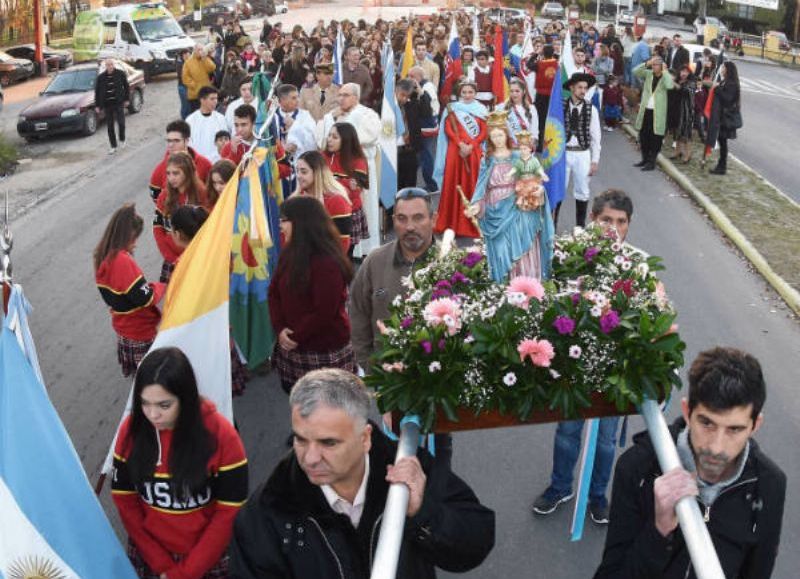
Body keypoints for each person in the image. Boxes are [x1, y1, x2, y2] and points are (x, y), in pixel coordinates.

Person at [229, 368, 495, 577]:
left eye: (328, 443)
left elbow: (477, 543)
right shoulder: (267, 511)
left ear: (365, 438)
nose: (309, 458)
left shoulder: (412, 470)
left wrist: (424, 514)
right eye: (300, 439)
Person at [594, 347, 786, 578]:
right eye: (706, 423)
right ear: (687, 411)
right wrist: (658, 530)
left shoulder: (769, 485)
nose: (716, 447)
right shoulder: (638, 468)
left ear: (755, 425)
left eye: (734, 429)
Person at [533, 189, 634, 524]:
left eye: (621, 222)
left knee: (606, 442)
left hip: (612, 373)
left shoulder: (635, 267)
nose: (613, 228)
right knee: (567, 433)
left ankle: (597, 495)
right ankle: (560, 486)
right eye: (606, 220)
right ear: (593, 220)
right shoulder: (572, 257)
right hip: (574, 369)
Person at [112, 347, 248, 579]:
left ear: (185, 398)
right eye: (145, 403)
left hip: (208, 556)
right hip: (152, 554)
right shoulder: (131, 431)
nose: (153, 415)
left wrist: (186, 572)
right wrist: (162, 563)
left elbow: (229, 511)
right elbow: (125, 501)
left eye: (164, 405)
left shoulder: (222, 436)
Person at [267, 197, 355, 394]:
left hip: (323, 349)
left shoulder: (327, 262)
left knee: (330, 409)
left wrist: (295, 336)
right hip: (294, 347)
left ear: (300, 223)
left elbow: (324, 311)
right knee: (301, 405)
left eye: (284, 220)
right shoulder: (289, 253)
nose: (280, 226)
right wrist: (280, 328)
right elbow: (274, 292)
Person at [469, 114, 553, 283]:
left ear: (506, 135)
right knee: (501, 252)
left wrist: (538, 189)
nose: (497, 139)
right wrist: (477, 205)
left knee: (524, 245)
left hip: (518, 205)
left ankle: (527, 283)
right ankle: (503, 286)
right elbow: (481, 187)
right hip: (494, 209)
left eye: (500, 135)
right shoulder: (487, 160)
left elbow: (532, 177)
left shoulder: (517, 156)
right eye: (493, 136)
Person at [95, 204, 165, 377]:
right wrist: (161, 286)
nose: (135, 244)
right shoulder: (122, 261)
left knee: (141, 381)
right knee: (154, 379)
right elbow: (145, 298)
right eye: (134, 238)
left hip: (124, 329)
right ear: (125, 236)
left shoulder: (102, 254)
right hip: (139, 330)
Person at [317, 83, 381, 258]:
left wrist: (345, 127)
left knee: (362, 205)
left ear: (356, 97)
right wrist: (331, 118)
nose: (340, 99)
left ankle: (365, 249)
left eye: (345, 95)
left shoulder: (367, 114)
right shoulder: (334, 116)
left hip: (359, 165)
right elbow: (321, 139)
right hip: (334, 167)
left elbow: (370, 135)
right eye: (339, 95)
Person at [433, 80, 488, 238]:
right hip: (455, 152)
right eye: (464, 92)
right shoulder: (453, 108)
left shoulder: (481, 109)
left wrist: (472, 145)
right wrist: (460, 144)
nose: (467, 95)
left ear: (475, 93)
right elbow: (448, 128)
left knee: (473, 184)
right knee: (454, 183)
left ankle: (472, 222)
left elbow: (484, 131)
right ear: (459, 93)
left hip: (474, 151)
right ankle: (451, 221)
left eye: (470, 92)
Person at [153, 152, 209, 283]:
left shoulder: (202, 194)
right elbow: (157, 229)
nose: (171, 178)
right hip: (173, 260)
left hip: (198, 258)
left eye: (176, 173)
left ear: (188, 172)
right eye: (168, 173)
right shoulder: (164, 197)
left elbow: (209, 230)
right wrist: (171, 257)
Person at [556, 72, 602, 229]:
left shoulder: (592, 109)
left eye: (585, 88)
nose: (583, 91)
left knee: (582, 189)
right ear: (571, 88)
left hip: (582, 153)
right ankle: (552, 228)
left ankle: (580, 228)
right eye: (580, 87)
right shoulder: (560, 106)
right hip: (563, 153)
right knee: (559, 189)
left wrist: (595, 160)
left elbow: (596, 137)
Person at [324, 122, 370, 259]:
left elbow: (355, 190)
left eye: (335, 137)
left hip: (348, 213)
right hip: (326, 212)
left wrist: (330, 183)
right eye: (329, 135)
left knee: (345, 256)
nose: (329, 140)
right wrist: (343, 183)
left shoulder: (358, 160)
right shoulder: (322, 156)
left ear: (346, 140)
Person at [295, 150, 353, 252]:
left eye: (304, 172)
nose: (298, 176)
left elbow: (342, 245)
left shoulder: (337, 201)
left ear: (317, 172)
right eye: (297, 171)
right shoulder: (298, 198)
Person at [272, 83, 318, 192]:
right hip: (277, 167)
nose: (297, 100)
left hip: (299, 165)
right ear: (282, 100)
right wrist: (281, 149)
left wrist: (295, 126)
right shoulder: (271, 117)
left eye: (297, 97)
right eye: (293, 98)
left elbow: (313, 142)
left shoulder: (305, 116)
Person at [633, 57, 674, 172]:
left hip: (658, 113)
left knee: (655, 138)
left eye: (657, 65)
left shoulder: (665, 76)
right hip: (646, 110)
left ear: (661, 66)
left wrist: (665, 71)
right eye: (653, 64)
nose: (654, 66)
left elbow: (670, 85)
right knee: (644, 136)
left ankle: (652, 162)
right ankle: (644, 159)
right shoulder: (648, 74)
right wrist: (646, 63)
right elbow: (635, 71)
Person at [406, 66, 440, 193]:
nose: (409, 79)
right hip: (422, 126)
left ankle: (432, 185)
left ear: (418, 77)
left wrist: (419, 93)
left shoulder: (427, 87)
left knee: (427, 157)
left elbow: (428, 107)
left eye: (411, 76)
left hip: (427, 127)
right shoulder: (419, 86)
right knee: (422, 157)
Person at [707, 61, 741, 176]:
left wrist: (717, 89)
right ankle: (721, 165)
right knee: (722, 142)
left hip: (726, 118)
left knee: (723, 142)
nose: (722, 69)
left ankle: (722, 167)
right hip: (721, 117)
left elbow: (727, 99)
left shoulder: (732, 84)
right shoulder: (726, 81)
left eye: (723, 68)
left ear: (728, 70)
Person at [94, 58, 130, 154]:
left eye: (111, 64)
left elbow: (126, 87)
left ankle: (122, 139)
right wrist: (97, 105)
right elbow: (97, 92)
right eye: (107, 65)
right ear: (105, 66)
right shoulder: (101, 77)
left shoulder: (120, 73)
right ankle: (113, 146)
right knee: (110, 126)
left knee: (121, 123)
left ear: (114, 65)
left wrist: (127, 99)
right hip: (107, 104)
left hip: (118, 103)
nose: (109, 67)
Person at [186, 86, 229, 163]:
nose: (215, 101)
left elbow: (226, 141)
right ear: (202, 100)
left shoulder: (221, 118)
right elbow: (188, 144)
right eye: (212, 99)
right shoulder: (191, 120)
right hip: (198, 162)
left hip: (218, 162)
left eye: (216, 98)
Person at [496, 77, 540, 149]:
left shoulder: (531, 109)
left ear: (524, 91)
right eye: (511, 91)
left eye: (517, 91)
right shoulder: (501, 107)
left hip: (526, 149)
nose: (514, 94)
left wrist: (531, 143)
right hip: (508, 148)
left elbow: (535, 132)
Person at [531, 45, 559, 152]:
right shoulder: (557, 64)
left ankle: (540, 145)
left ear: (543, 53)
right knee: (551, 119)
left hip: (541, 95)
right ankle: (551, 143)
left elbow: (529, 64)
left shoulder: (539, 64)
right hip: (552, 95)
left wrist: (536, 54)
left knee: (541, 120)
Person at [671, 66, 696, 164]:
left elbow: (687, 91)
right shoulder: (677, 80)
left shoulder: (691, 83)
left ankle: (688, 154)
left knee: (686, 134)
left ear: (689, 73)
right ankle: (677, 152)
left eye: (686, 71)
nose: (684, 73)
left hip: (686, 112)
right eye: (682, 71)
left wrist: (676, 85)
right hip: (676, 110)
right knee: (677, 132)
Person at [182, 44, 216, 113]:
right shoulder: (188, 62)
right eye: (199, 50)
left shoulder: (205, 59)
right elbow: (185, 77)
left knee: (208, 112)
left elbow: (212, 68)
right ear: (194, 51)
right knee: (197, 114)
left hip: (206, 93)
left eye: (202, 49)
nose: (201, 51)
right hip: (194, 95)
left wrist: (205, 59)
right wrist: (194, 86)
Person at [175, 49, 191, 120]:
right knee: (185, 105)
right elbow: (182, 76)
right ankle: (184, 120)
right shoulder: (180, 64)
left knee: (188, 105)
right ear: (183, 55)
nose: (188, 56)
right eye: (187, 55)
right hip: (183, 87)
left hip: (187, 87)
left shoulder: (186, 62)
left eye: (189, 55)